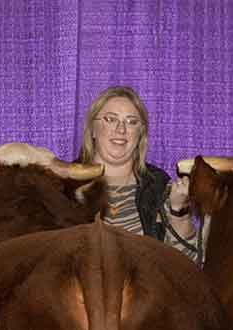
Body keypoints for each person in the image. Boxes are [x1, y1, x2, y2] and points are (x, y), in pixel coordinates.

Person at [75, 85, 202, 255]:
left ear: (140, 134)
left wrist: (179, 212)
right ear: (93, 129)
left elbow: (189, 265)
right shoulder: (65, 186)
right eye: (111, 119)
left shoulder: (159, 187)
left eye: (131, 122)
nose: (121, 129)